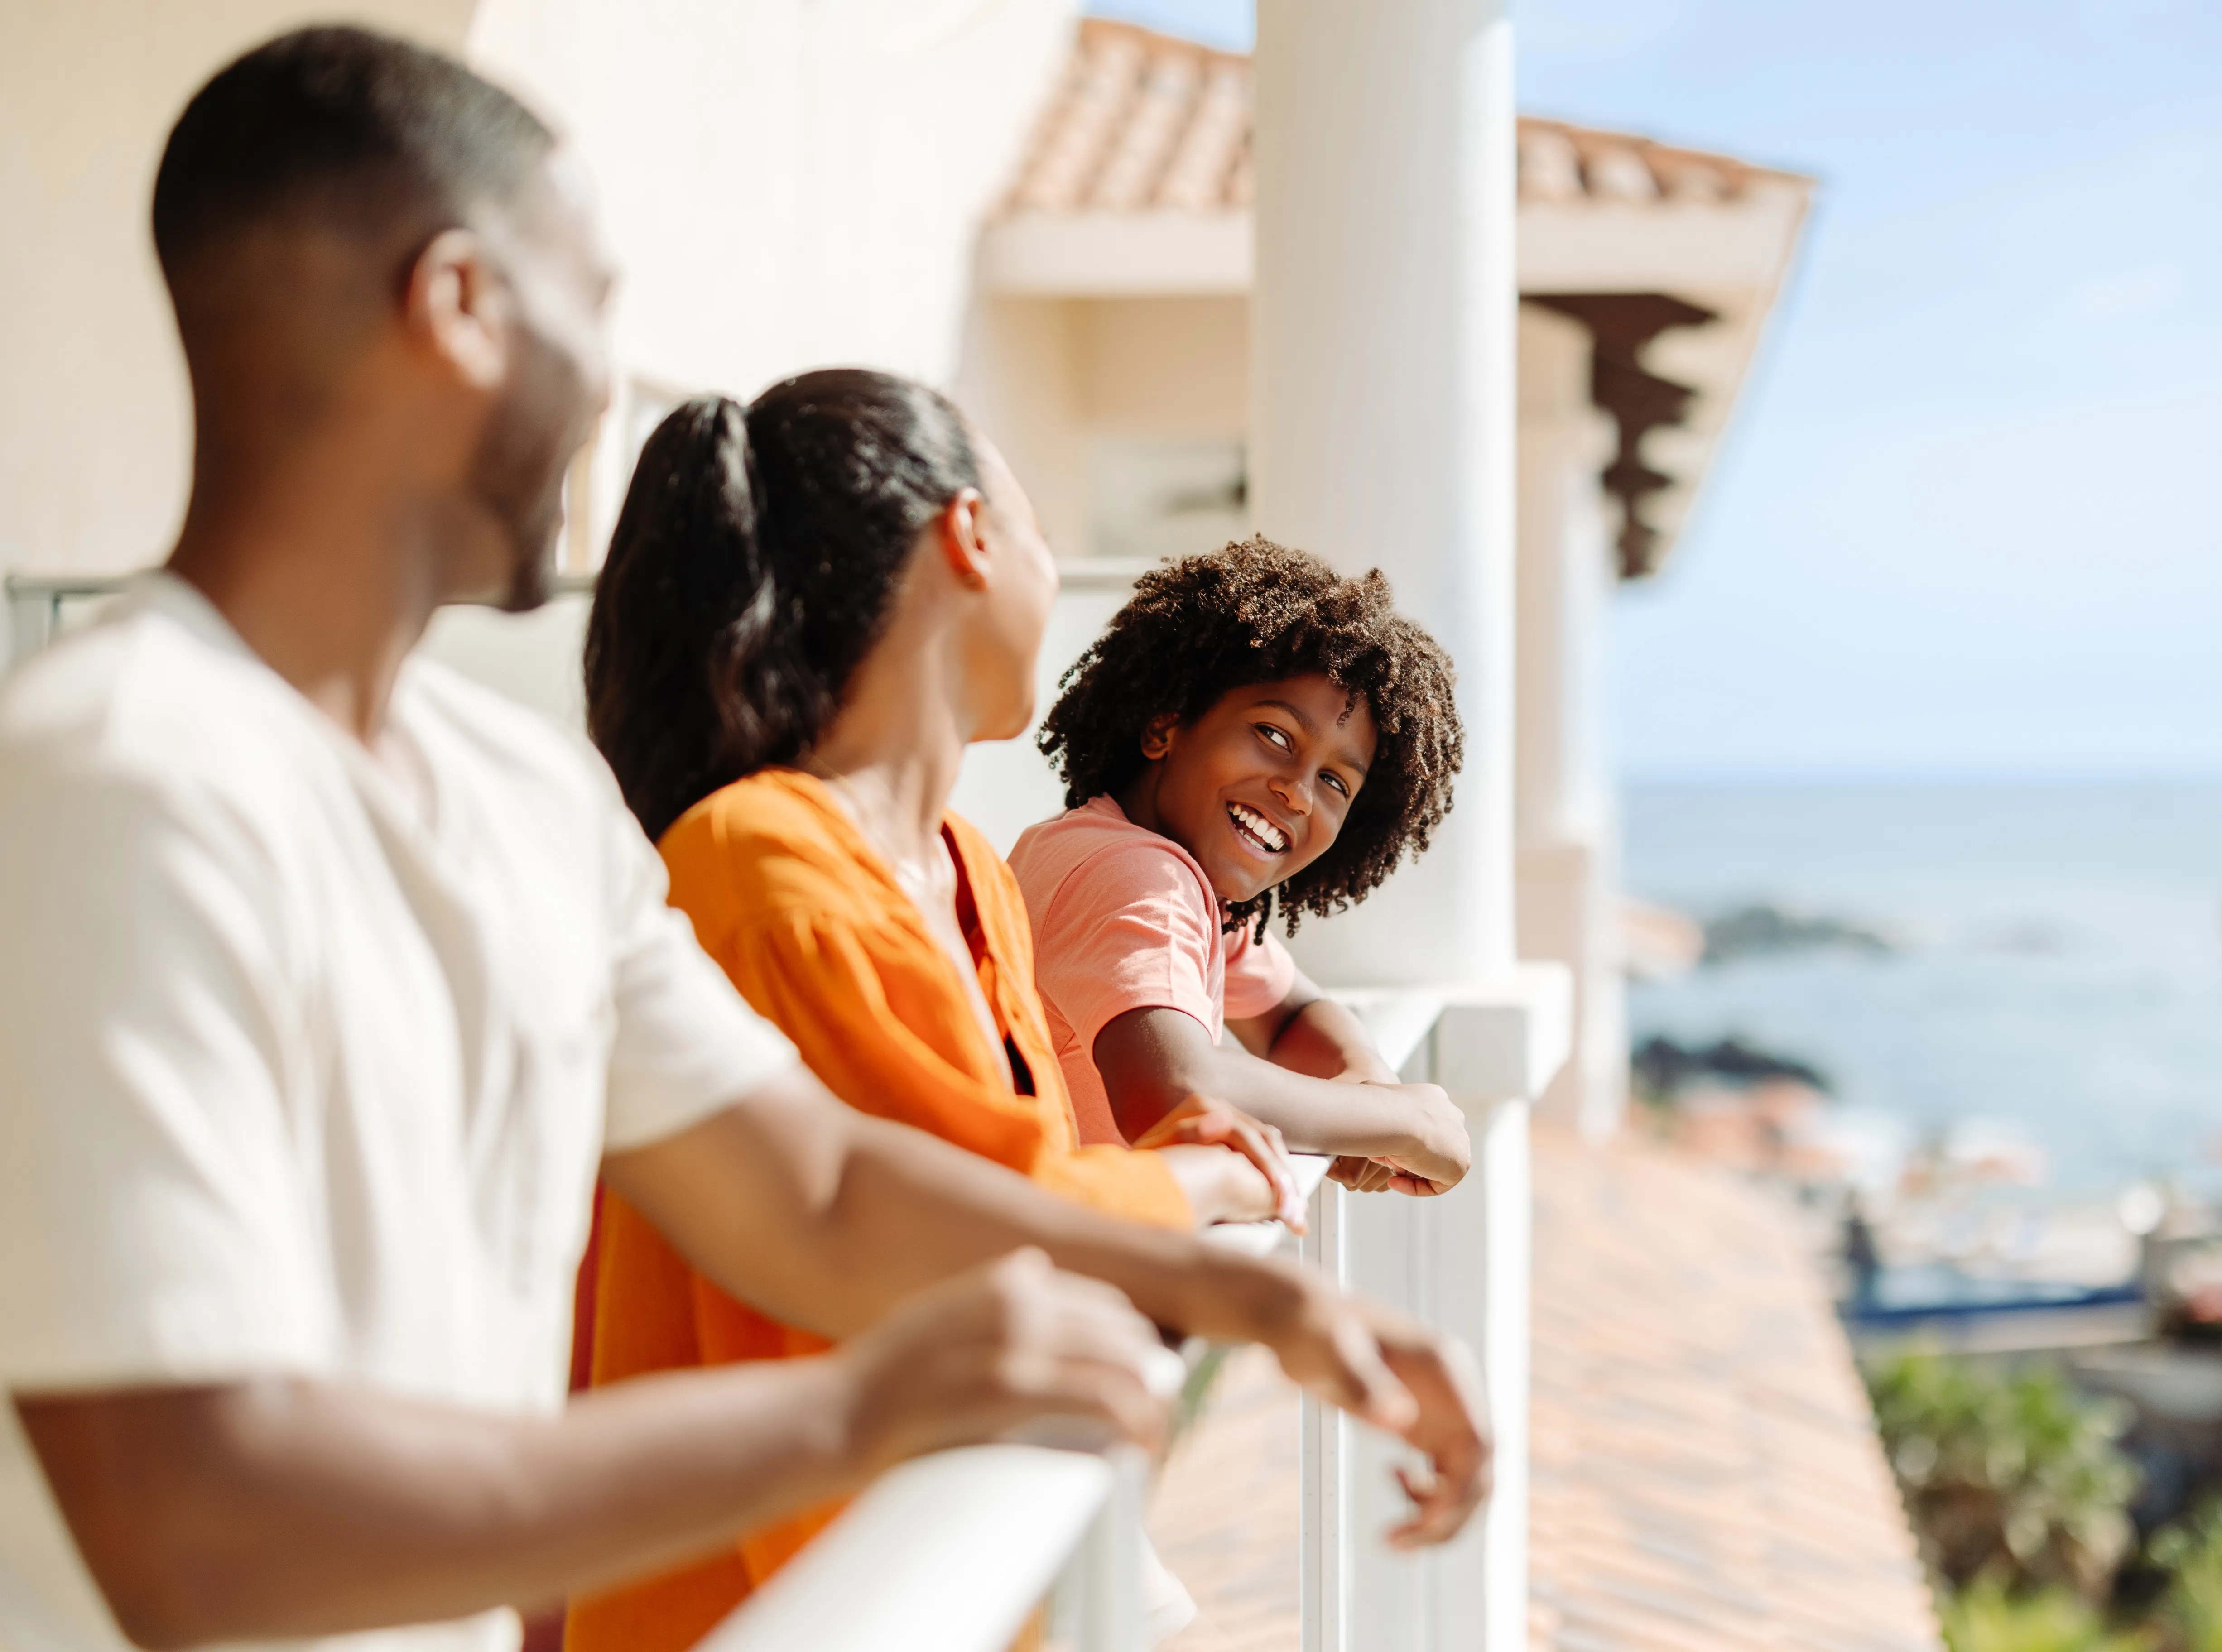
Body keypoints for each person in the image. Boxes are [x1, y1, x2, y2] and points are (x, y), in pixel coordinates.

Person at [0, 29, 1487, 1652]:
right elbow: (189, 1531)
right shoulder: (117, 776)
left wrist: (1253, 1286)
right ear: (461, 306)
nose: (618, 396)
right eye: (596, 301)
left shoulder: (520, 804)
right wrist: (851, 1416)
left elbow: (828, 1186)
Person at [567, 370, 1300, 1651]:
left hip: (936, 1569)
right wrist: (1214, 1188)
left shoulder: (972, 870)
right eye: (1036, 533)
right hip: (774, 1603)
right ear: (967, 537)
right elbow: (954, 1209)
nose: (1056, 574)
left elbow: (1016, 1180)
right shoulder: (758, 865)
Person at [1010, 538, 1475, 1195]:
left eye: (1337, 783)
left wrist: (1365, 1084)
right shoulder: (1135, 875)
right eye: (1276, 736)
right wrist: (1399, 1121)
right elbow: (1175, 1091)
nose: (1298, 792)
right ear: (1164, 727)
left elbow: (1291, 1015)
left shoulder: (1164, 874)